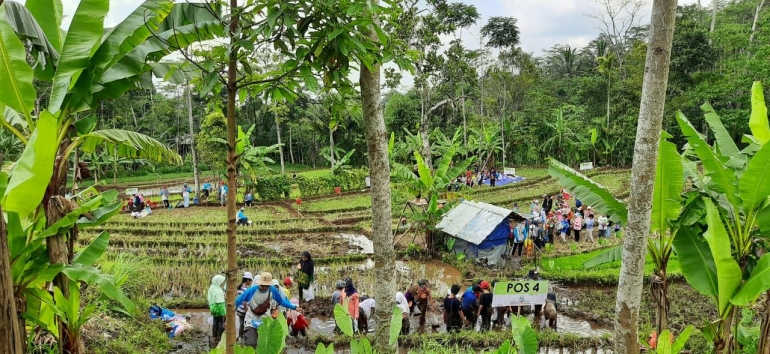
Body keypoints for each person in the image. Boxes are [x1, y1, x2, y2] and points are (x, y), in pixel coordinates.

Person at [238, 272, 301, 349]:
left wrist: (294, 308)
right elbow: (239, 301)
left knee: (263, 344)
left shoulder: (272, 291)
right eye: (262, 285)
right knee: (251, 344)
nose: (264, 287)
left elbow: (281, 301)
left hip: (264, 322)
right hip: (251, 321)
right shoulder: (251, 291)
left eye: (266, 285)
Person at [207, 275, 226, 346]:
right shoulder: (218, 291)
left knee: (215, 321)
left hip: (212, 307)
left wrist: (211, 308)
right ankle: (220, 336)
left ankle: (214, 335)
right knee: (222, 322)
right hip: (218, 308)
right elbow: (220, 303)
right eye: (221, 282)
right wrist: (224, 313)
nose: (222, 283)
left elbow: (208, 298)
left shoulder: (212, 287)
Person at [236, 272, 254, 339]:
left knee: (241, 323)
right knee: (244, 324)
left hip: (239, 309)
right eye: (250, 280)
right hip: (243, 310)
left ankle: (240, 336)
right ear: (247, 280)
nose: (250, 282)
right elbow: (245, 302)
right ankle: (242, 337)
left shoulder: (239, 287)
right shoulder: (245, 290)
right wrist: (247, 311)